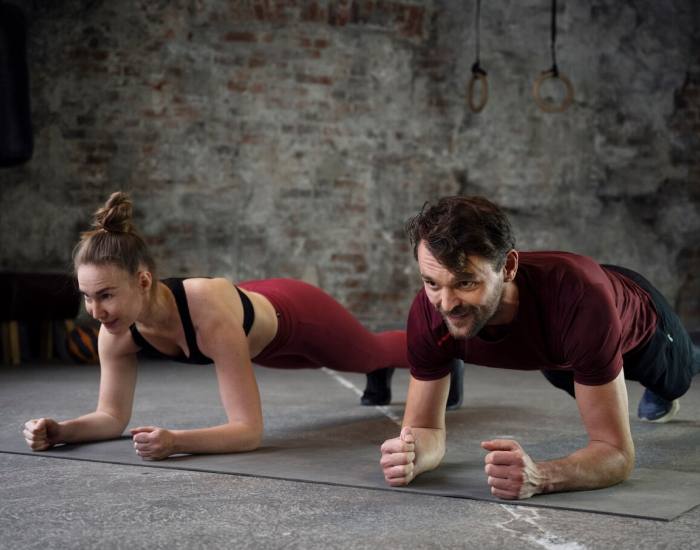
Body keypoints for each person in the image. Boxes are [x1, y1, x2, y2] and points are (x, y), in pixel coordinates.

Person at [22, 191, 461, 461]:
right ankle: (380, 372)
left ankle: (446, 351)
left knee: (366, 352)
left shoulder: (207, 316)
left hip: (293, 312)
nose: (94, 311)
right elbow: (110, 416)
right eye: (87, 296)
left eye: (106, 295)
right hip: (256, 335)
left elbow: (248, 432)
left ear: (142, 281)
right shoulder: (116, 331)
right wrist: (63, 430)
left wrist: (177, 441)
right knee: (311, 364)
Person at [380, 195, 699, 500]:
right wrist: (415, 455)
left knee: (677, 379)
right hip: (563, 349)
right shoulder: (428, 312)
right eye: (432, 282)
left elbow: (616, 452)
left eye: (465, 283)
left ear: (507, 268)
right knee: (566, 370)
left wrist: (542, 476)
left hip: (640, 321)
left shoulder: (579, 305)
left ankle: (668, 383)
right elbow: (424, 428)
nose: (446, 304)